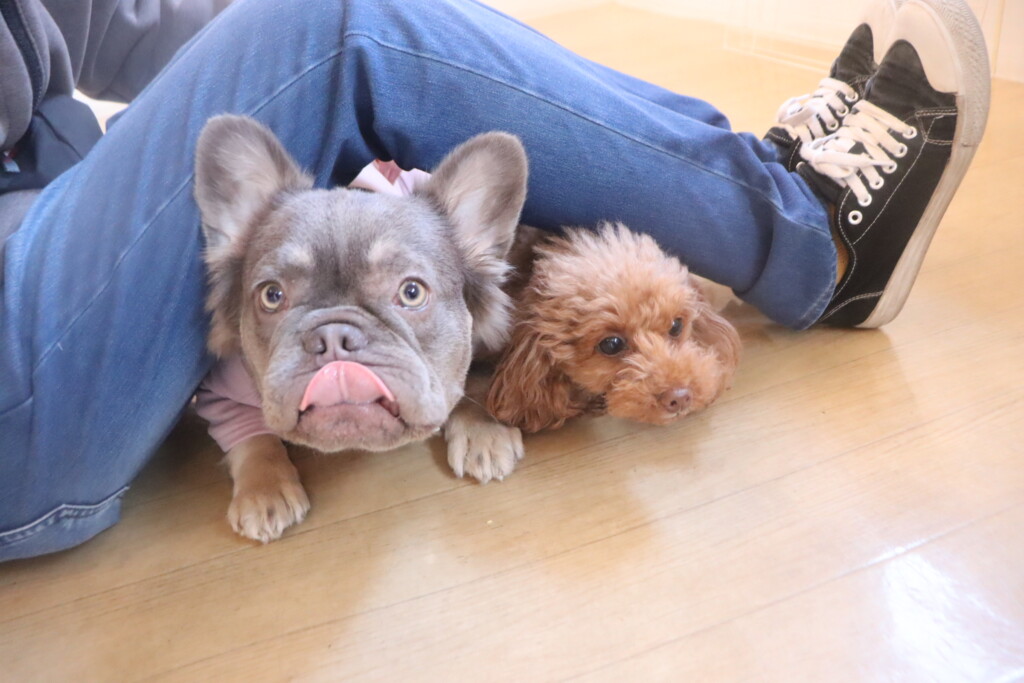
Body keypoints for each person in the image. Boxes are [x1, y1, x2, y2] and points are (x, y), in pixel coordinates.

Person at [0, 0, 989, 561]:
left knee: (335, 46)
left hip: (54, 196)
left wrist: (293, 63)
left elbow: (123, 20)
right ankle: (819, 239)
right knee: (342, 25)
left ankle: (750, 167)